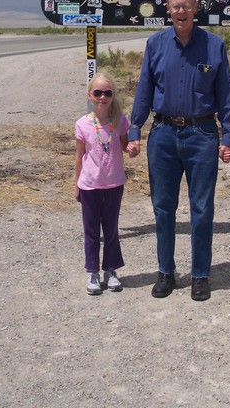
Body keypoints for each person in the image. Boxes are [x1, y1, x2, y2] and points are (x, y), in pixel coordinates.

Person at [127, 0, 230, 301]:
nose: (181, 12)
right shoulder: (155, 44)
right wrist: (135, 129)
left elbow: (226, 95)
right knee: (163, 208)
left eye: (186, 6)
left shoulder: (214, 46)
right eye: (175, 7)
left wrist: (228, 137)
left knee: (202, 209)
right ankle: (166, 273)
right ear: (168, 9)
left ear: (195, 8)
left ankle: (200, 275)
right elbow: (144, 91)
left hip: (202, 135)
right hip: (162, 135)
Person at [75, 71, 134, 296]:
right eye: (97, 92)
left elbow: (127, 146)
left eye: (107, 93)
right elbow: (79, 156)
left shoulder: (120, 121)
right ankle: (92, 272)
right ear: (90, 95)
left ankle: (110, 270)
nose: (102, 97)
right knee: (91, 231)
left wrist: (133, 148)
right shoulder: (82, 124)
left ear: (112, 95)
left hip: (113, 184)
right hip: (89, 186)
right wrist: (76, 185)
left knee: (111, 230)